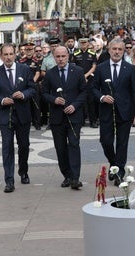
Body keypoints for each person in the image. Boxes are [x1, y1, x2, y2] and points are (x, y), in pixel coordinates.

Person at [92, 38, 135, 186]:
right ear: (109, 50)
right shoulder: (101, 68)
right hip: (106, 111)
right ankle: (114, 164)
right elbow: (93, 88)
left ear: (123, 51)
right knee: (105, 141)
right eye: (114, 49)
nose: (117, 52)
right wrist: (102, 97)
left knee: (122, 143)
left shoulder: (130, 68)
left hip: (125, 112)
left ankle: (120, 171)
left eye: (120, 49)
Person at [0, 43, 36, 193]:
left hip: (22, 114)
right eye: (5, 54)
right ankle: (9, 180)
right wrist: (2, 101)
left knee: (24, 145)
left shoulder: (25, 69)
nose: (8, 57)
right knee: (7, 148)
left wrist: (23, 95)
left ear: (15, 54)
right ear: (1, 56)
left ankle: (23, 171)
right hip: (5, 116)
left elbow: (33, 89)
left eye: (11, 54)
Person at [42, 46, 87, 190]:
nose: (61, 59)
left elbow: (84, 92)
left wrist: (75, 105)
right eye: (58, 56)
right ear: (54, 57)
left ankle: (75, 178)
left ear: (68, 56)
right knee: (60, 148)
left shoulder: (78, 71)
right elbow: (43, 93)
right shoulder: (50, 74)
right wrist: (54, 100)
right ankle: (66, 175)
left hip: (74, 116)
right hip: (57, 117)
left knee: (74, 144)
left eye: (63, 56)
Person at [73, 37, 98, 128]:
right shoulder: (75, 53)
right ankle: (81, 120)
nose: (83, 44)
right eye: (81, 43)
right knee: (80, 101)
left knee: (91, 100)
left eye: (85, 43)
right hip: (78, 80)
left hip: (90, 79)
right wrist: (81, 77)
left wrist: (85, 76)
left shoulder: (92, 53)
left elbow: (94, 67)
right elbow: (73, 66)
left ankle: (93, 121)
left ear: (88, 44)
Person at [18, 42, 42, 130]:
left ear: (33, 50)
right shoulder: (21, 61)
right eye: (27, 49)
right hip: (24, 87)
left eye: (30, 49)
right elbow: (20, 74)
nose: (28, 51)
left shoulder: (36, 61)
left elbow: (37, 73)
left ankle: (37, 123)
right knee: (25, 105)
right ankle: (26, 122)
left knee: (36, 105)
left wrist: (31, 83)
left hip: (34, 86)